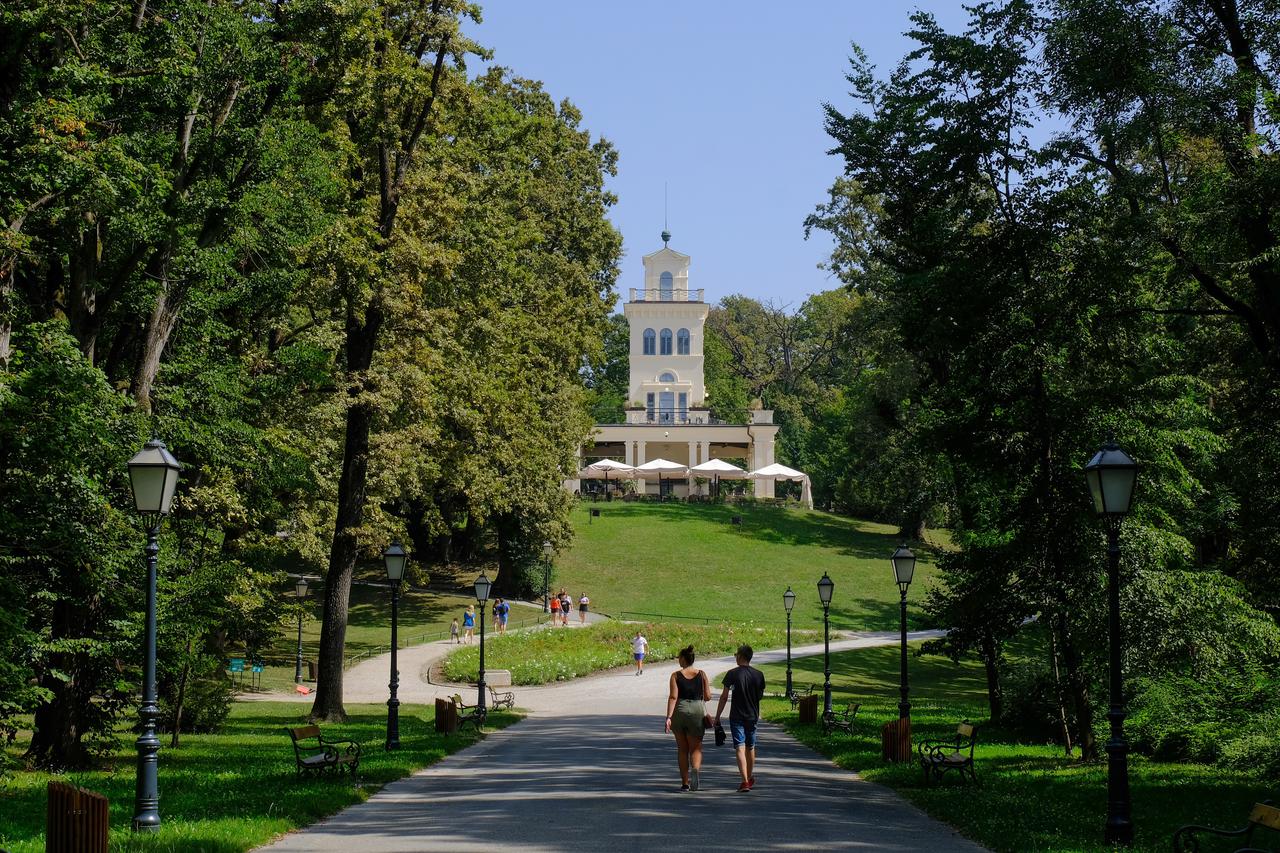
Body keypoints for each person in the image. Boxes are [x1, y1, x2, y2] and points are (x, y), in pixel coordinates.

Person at [715, 644, 766, 792]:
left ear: (741, 656)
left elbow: (724, 697)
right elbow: (760, 695)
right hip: (752, 715)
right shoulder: (759, 674)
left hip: (736, 715)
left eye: (736, 654)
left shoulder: (732, 674)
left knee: (739, 746)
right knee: (750, 746)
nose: (735, 657)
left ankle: (744, 781)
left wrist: (717, 716)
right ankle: (749, 777)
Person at [664, 645, 711, 792]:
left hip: (680, 709)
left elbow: (673, 697)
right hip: (697, 710)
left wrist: (668, 717)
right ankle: (695, 770)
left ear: (683, 659)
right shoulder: (702, 674)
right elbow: (708, 696)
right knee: (696, 747)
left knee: (682, 749)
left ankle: (685, 783)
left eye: (679, 657)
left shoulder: (675, 675)